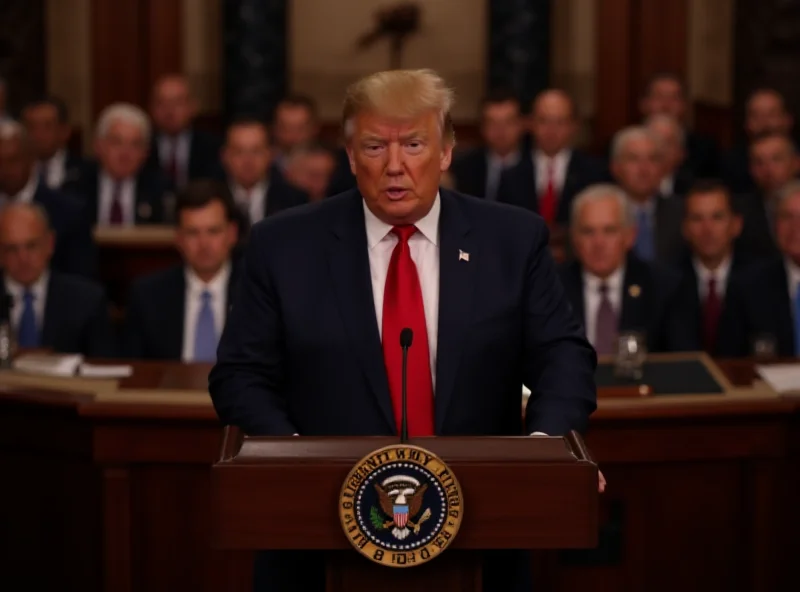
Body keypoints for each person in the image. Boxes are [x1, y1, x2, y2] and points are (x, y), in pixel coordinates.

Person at [209, 69, 599, 592]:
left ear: (446, 152)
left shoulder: (511, 239)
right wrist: (290, 458)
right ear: (350, 157)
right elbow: (240, 374)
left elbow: (563, 358)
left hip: (482, 536)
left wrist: (546, 451)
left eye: (414, 144)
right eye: (375, 146)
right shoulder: (283, 246)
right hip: (317, 540)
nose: (395, 166)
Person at [558, 184, 696, 353]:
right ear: (574, 238)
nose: (598, 243)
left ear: (630, 236)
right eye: (588, 231)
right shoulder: (553, 289)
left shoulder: (664, 287)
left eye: (609, 231)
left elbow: (681, 363)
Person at [124, 180, 239, 360]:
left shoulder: (259, 292)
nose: (204, 244)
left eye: (213, 231)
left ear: (232, 234)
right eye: (193, 233)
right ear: (179, 239)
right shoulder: (148, 296)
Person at [0, 202, 115, 356]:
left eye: (32, 246)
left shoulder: (87, 301)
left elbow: (105, 369)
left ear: (50, 243)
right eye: (11, 249)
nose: (23, 259)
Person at [0, 121, 97, 277]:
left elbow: (82, 282)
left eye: (12, 160)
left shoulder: (69, 212)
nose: (3, 170)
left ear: (31, 159)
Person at [498, 89, 607, 227]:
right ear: (531, 123)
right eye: (543, 121)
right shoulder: (511, 175)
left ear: (574, 125)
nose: (551, 130)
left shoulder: (594, 173)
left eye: (560, 122)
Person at [717, 180, 800, 357]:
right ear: (774, 226)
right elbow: (729, 360)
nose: (795, 227)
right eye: (786, 217)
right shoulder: (747, 286)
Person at [674, 181, 751, 354]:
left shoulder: (759, 280)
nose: (707, 229)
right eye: (697, 219)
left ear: (736, 225)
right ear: (685, 228)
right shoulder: (669, 282)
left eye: (717, 217)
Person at [64, 103, 167, 226]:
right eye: (117, 142)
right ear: (98, 146)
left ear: (145, 153)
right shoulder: (75, 187)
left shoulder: (161, 191)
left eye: (135, 144)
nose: (125, 153)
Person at [610, 125, 685, 263]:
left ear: (663, 167)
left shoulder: (682, 213)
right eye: (633, 159)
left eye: (652, 159)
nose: (644, 169)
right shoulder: (601, 214)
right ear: (616, 167)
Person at [220, 117, 307, 235]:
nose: (248, 161)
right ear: (225, 156)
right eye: (239, 151)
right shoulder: (212, 199)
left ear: (270, 154)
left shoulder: (295, 200)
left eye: (256, 151)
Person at [145, 74, 222, 190]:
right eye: (162, 103)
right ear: (151, 108)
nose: (169, 111)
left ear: (193, 107)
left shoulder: (212, 147)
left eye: (177, 103)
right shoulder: (143, 146)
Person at [638, 73, 718, 177]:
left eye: (674, 98)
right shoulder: (620, 145)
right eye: (658, 97)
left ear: (685, 105)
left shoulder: (705, 150)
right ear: (644, 104)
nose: (666, 105)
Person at [449, 89, 524, 199]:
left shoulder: (536, 165)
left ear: (520, 125)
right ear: (482, 127)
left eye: (508, 122)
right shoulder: (464, 167)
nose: (500, 130)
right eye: (492, 123)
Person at [719, 88, 795, 193]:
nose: (765, 123)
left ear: (788, 119)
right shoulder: (731, 164)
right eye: (756, 116)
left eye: (772, 114)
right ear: (746, 124)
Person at [20, 95, 85, 190]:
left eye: (46, 127)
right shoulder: (11, 174)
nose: (38, 135)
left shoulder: (86, 173)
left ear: (65, 131)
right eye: (31, 127)